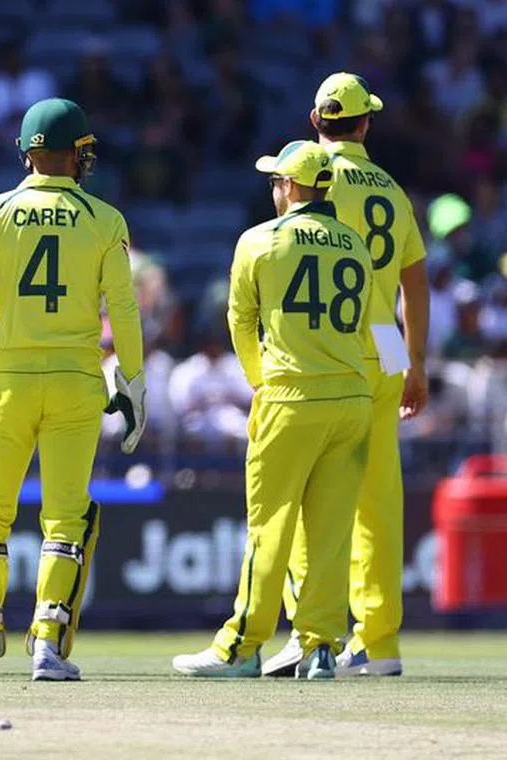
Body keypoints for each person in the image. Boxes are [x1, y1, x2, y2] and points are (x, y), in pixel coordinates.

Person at [0, 98, 146, 682]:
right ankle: (49, 647)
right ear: (73, 153)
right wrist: (131, 383)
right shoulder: (106, 219)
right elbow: (124, 311)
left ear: (28, 153)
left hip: (7, 380)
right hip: (78, 382)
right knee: (66, 519)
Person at [172, 140, 374, 679]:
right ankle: (322, 647)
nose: (273, 190)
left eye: (276, 182)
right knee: (331, 535)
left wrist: (261, 382)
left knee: (270, 526)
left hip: (292, 396)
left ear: (290, 186)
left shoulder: (259, 241)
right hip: (354, 399)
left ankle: (242, 646)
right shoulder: (354, 242)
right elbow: (376, 324)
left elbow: (240, 322)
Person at [262, 74, 430, 678]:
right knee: (379, 500)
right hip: (384, 344)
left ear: (316, 122)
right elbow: (414, 282)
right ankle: (379, 642)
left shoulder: (304, 176)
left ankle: (313, 636)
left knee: (309, 496)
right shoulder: (391, 188)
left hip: (324, 349)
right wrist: (416, 363)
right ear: (366, 124)